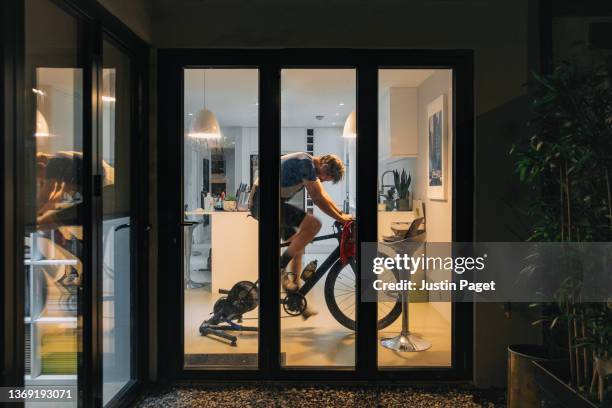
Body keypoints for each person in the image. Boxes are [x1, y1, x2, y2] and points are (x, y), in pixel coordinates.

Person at [249, 153, 352, 311]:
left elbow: (323, 194)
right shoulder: (305, 163)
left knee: (298, 246)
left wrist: (340, 214)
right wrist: (340, 218)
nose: (323, 180)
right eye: (326, 177)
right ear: (324, 167)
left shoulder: (309, 164)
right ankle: (280, 265)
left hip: (272, 201)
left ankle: (294, 296)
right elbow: (317, 198)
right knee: (314, 224)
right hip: (263, 201)